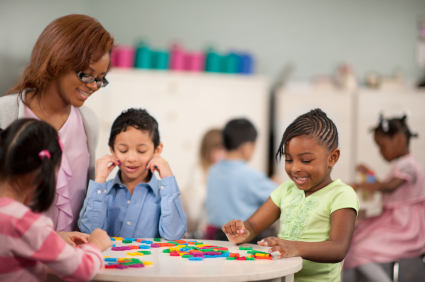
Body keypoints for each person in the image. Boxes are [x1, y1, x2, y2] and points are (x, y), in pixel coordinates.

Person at [0, 14, 115, 243]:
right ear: (57, 61)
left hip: (73, 263)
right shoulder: (5, 114)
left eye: (100, 79)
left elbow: (86, 199)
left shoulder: (88, 121)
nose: (93, 86)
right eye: (86, 74)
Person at [222, 109, 359, 282]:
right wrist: (241, 231)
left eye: (306, 160)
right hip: (282, 278)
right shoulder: (286, 189)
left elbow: (338, 248)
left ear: (332, 157)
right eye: (288, 159)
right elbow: (254, 225)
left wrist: (294, 247)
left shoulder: (341, 194)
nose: (294, 168)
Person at [0, 119, 111, 282]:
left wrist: (53, 236)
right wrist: (96, 245)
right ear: (42, 176)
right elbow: (81, 270)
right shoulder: (27, 223)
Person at [78, 108, 187, 240]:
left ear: (156, 150)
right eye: (123, 150)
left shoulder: (163, 193)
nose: (131, 158)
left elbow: (174, 235)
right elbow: (88, 234)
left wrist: (168, 179)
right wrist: (99, 180)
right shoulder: (102, 191)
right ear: (112, 149)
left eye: (141, 151)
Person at [343, 115, 425, 282]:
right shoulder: (402, 165)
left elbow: (389, 187)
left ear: (399, 140)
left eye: (382, 147)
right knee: (354, 238)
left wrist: (360, 186)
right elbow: (385, 185)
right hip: (395, 221)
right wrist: (369, 174)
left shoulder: (409, 166)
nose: (380, 152)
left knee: (359, 248)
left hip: (406, 226)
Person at [206, 118, 278, 241]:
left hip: (215, 236)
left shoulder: (213, 170)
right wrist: (278, 184)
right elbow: (279, 196)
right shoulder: (250, 175)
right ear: (246, 148)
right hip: (243, 237)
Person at [180, 129, 225, 238]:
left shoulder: (225, 173)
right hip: (203, 232)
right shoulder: (198, 173)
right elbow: (194, 212)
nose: (223, 154)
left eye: (225, 149)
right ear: (207, 151)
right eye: (219, 149)